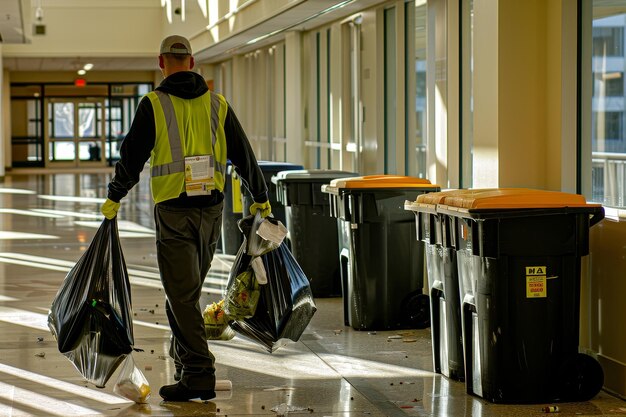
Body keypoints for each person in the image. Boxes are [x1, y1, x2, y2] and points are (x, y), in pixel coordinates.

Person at [101, 34, 271, 402]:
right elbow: (244, 155)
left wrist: (115, 196)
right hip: (211, 212)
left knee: (180, 295)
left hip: (174, 212)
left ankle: (199, 373)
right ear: (192, 63)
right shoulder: (217, 104)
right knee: (186, 292)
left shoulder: (154, 105)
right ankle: (183, 361)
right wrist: (261, 197)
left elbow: (131, 159)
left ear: (161, 62)